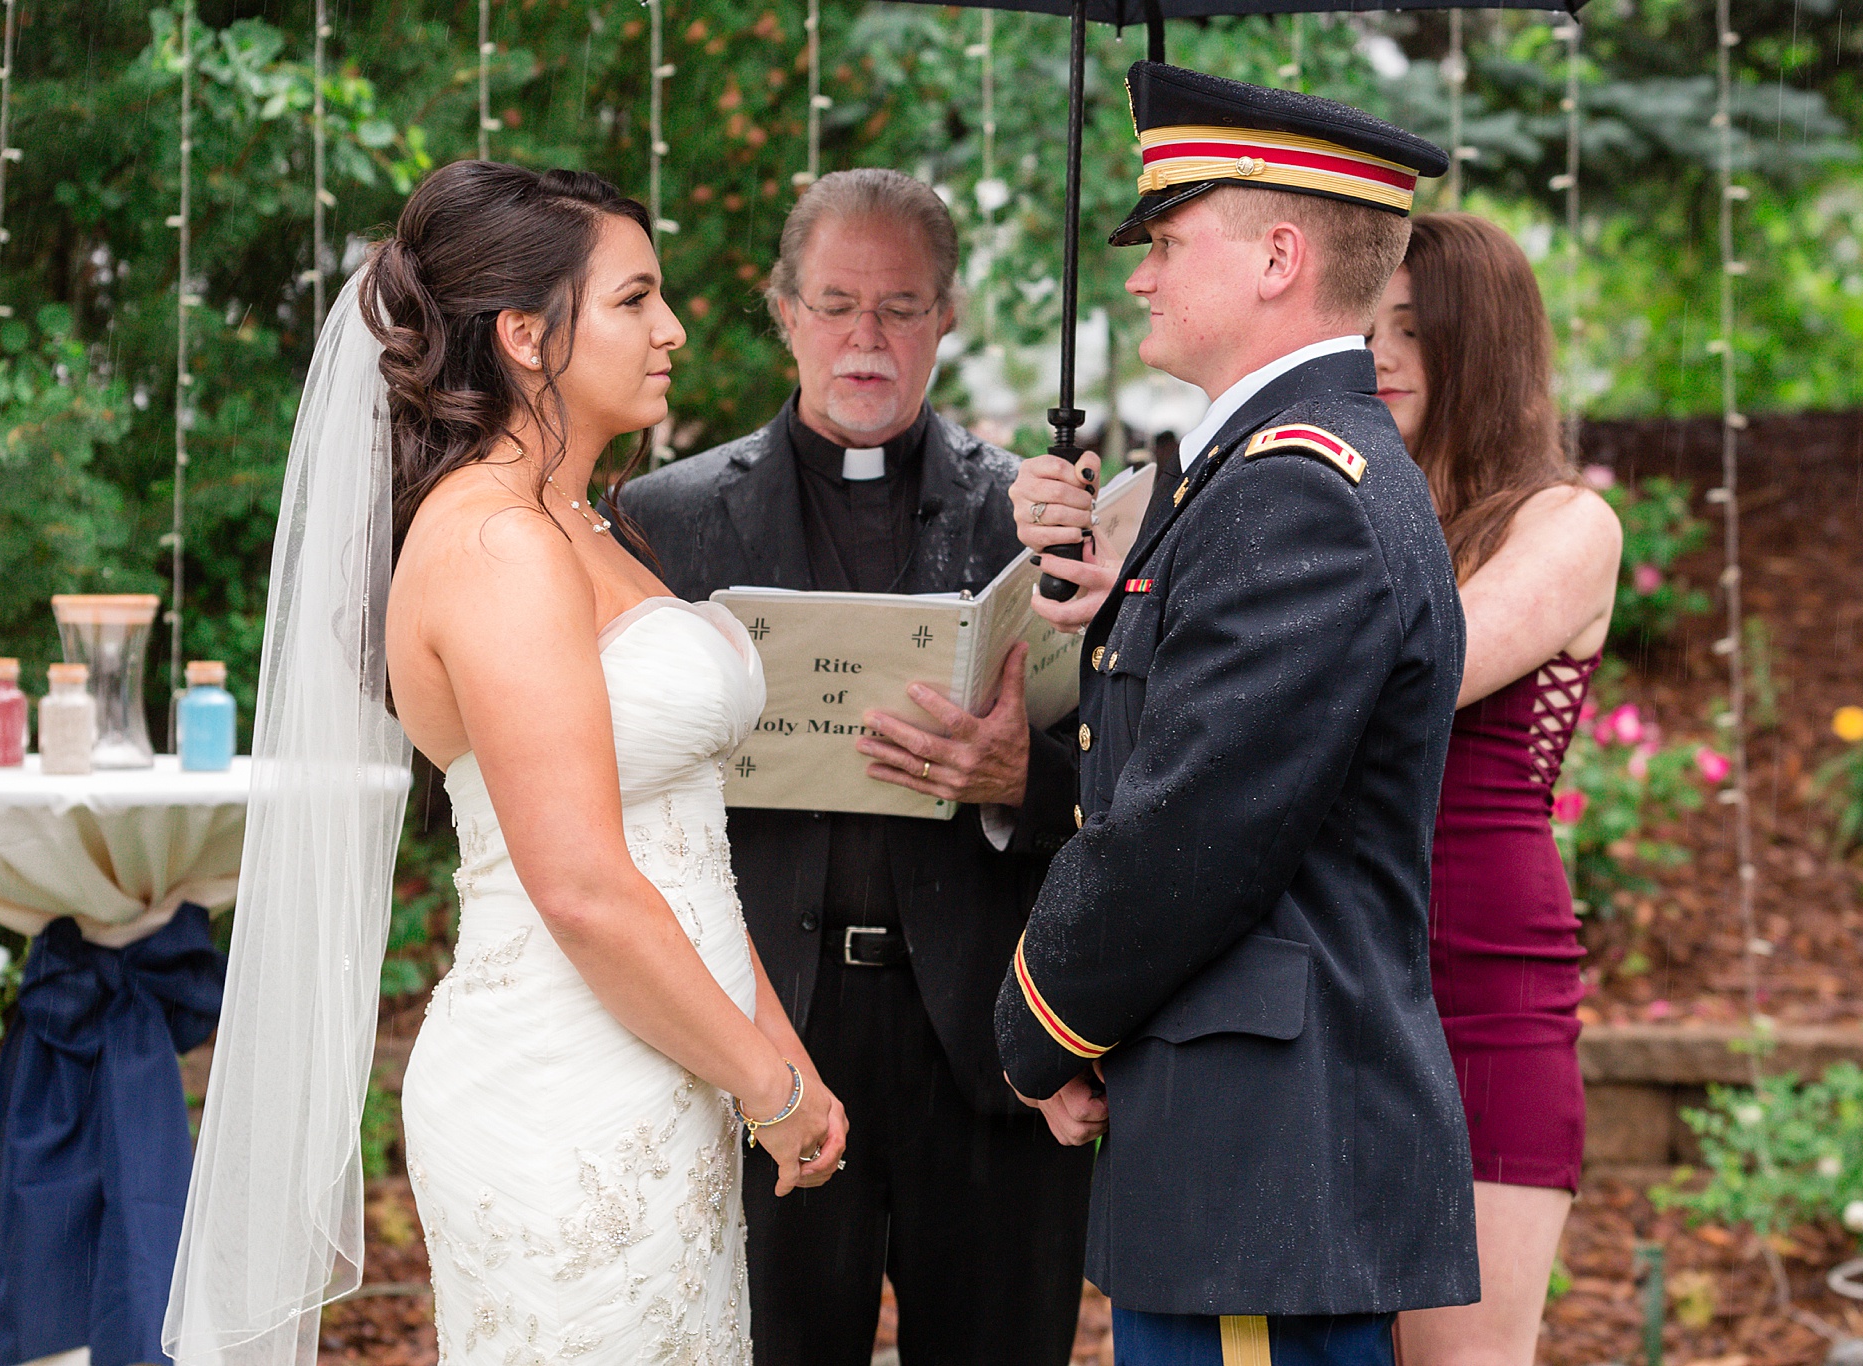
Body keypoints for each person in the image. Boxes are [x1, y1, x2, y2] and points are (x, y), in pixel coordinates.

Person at [166, 162, 845, 1366]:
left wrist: (779, 1061)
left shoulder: (581, 522)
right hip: (562, 1092)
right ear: (528, 335)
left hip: (666, 1062)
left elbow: (683, 849)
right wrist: (770, 1090)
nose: (674, 328)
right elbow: (582, 884)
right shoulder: (494, 542)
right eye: (636, 298)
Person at [995, 63, 1479, 1366]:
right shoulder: (1268, 468)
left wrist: (1042, 1022)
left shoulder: (1298, 488)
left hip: (1266, 1143)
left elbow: (1192, 831)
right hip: (1240, 1129)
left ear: (1278, 254)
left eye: (1167, 240)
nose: (1142, 275)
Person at [622, 167, 1093, 1366]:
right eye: (834, 303)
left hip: (990, 1045)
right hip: (768, 1029)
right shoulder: (662, 521)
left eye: (899, 306)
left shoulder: (1036, 524)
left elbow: (1133, 775)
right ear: (781, 309)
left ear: (947, 315)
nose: (864, 338)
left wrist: (1019, 780)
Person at [1368, 213, 1622, 1366]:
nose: (1372, 353)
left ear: (1481, 347)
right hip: (1335, 981)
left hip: (1483, 991)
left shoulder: (1563, 524)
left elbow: (1425, 672)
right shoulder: (1351, 508)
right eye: (1360, 322)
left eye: (1410, 328)